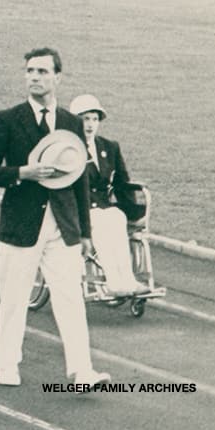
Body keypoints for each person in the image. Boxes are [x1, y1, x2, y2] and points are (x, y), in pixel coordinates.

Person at [0, 47, 108, 388]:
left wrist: (85, 232)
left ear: (57, 77)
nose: (34, 77)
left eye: (43, 71)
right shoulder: (7, 119)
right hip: (21, 225)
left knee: (71, 298)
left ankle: (81, 371)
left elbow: (80, 179)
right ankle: (7, 364)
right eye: (30, 71)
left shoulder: (72, 123)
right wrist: (21, 172)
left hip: (62, 226)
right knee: (14, 298)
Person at [70, 94, 149, 296]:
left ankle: (127, 280)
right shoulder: (69, 149)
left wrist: (131, 209)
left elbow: (122, 182)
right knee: (103, 221)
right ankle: (114, 282)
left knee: (117, 216)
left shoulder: (109, 146)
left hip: (104, 207)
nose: (90, 124)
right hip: (80, 208)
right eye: (85, 119)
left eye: (94, 119)